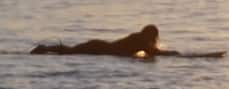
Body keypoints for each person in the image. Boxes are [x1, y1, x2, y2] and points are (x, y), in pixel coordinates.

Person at [31, 25, 178, 57]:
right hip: (100, 48)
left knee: (70, 51)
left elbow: (153, 52)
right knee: (70, 52)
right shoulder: (140, 40)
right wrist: (176, 54)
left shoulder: (137, 37)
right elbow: (155, 53)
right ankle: (44, 49)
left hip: (99, 46)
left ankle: (45, 48)